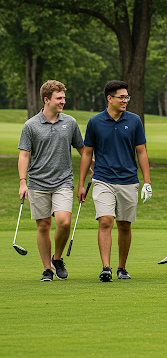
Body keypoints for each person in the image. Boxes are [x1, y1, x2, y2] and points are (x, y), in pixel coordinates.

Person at [78, 80, 152, 282]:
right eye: (122, 97)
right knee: (105, 220)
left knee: (124, 225)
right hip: (103, 179)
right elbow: (87, 154)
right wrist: (81, 184)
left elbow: (141, 151)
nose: (125, 100)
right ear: (109, 98)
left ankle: (122, 267)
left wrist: (147, 181)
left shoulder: (135, 121)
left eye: (127, 97)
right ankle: (106, 267)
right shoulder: (95, 122)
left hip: (128, 180)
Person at [18, 80, 84, 281]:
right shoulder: (31, 125)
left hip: (63, 181)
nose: (63, 101)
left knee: (64, 222)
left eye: (63, 97)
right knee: (44, 225)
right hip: (38, 182)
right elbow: (24, 155)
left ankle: (57, 258)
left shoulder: (70, 123)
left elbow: (81, 148)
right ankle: (47, 268)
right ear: (47, 100)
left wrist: (93, 166)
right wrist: (23, 182)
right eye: (59, 98)